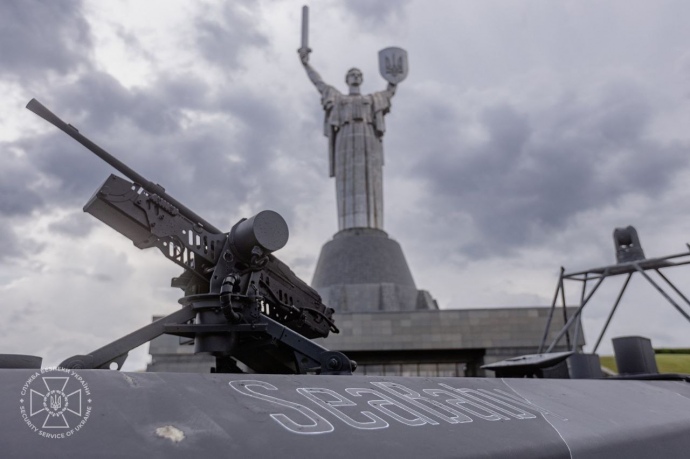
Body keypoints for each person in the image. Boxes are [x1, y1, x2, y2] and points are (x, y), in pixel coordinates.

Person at [299, 49, 396, 231]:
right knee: (347, 181)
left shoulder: (372, 99)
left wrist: (394, 78)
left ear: (362, 79)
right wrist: (306, 64)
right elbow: (319, 83)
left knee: (371, 179)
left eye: (358, 74)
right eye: (352, 74)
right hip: (344, 138)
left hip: (368, 137)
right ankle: (347, 227)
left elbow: (390, 92)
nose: (355, 76)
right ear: (347, 79)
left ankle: (372, 225)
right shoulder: (337, 98)